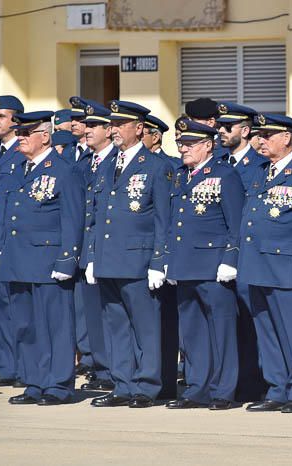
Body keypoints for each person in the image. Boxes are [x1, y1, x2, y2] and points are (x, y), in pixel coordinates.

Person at [86, 100, 172, 409]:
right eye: (112, 124)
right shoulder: (107, 165)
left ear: (139, 128)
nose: (114, 130)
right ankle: (122, 384)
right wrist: (92, 256)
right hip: (109, 259)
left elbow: (164, 219)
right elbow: (95, 216)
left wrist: (159, 262)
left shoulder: (156, 166)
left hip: (139, 260)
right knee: (116, 326)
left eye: (121, 124)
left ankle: (146, 386)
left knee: (145, 328)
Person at [238, 113, 292, 413]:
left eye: (268, 135)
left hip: (286, 265)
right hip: (257, 264)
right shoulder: (262, 173)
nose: (261, 141)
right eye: (259, 136)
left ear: (287, 138)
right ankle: (276, 388)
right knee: (268, 332)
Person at [1, 111, 84, 405]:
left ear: (44, 136)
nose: (20, 138)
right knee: (25, 326)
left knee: (56, 327)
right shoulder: (18, 169)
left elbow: (73, 219)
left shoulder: (64, 171)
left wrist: (66, 260)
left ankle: (58, 385)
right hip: (18, 260)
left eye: (26, 133)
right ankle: (34, 381)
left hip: (48, 261)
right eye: (19, 133)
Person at [164, 119, 244, 410]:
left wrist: (230, 259)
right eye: (181, 144)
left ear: (208, 145)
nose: (183, 149)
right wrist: (169, 261)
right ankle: (197, 388)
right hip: (185, 264)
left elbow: (235, 223)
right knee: (193, 332)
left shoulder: (225, 175)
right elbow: (175, 222)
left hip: (213, 265)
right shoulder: (180, 175)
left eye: (189, 144)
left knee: (221, 330)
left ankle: (223, 390)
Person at [215, 101, 268, 400]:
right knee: (228, 323)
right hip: (218, 255)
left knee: (251, 322)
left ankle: (253, 383)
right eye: (220, 126)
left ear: (245, 131)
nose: (220, 132)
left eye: (227, 127)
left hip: (249, 254)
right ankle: (230, 383)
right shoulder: (219, 162)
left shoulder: (259, 165)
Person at [75, 100, 117, 393]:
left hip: (111, 250)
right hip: (86, 250)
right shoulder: (82, 163)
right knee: (92, 314)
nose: (87, 130)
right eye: (86, 125)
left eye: (93, 126)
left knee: (111, 315)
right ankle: (102, 367)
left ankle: (116, 369)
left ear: (108, 129)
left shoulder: (118, 160)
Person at [0, 95, 25, 388]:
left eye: (0, 115)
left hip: (8, 243)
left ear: (16, 120)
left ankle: (14, 366)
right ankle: (0, 364)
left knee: (11, 309)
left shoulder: (24, 154)